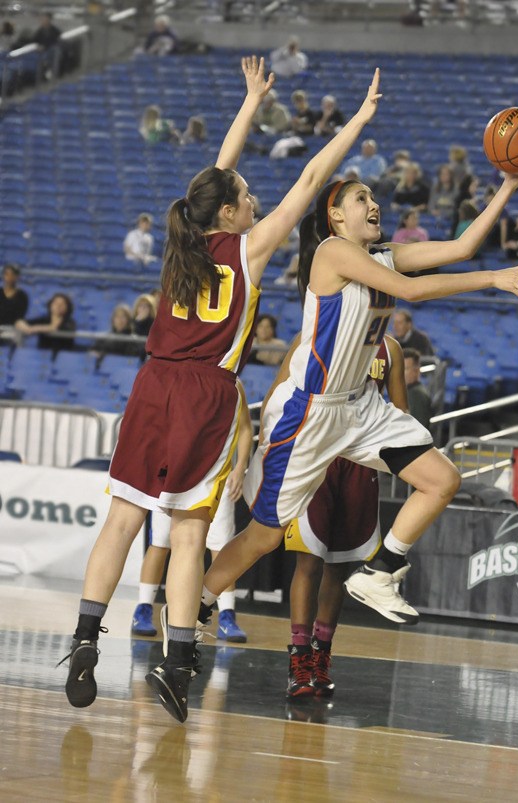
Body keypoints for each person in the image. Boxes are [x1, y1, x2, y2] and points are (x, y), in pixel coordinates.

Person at [59, 56, 385, 724]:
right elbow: (311, 178)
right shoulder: (250, 248)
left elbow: (211, 175)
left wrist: (247, 102)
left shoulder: (181, 241)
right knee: (187, 534)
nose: (256, 198)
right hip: (206, 394)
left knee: (122, 519)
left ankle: (84, 638)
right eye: (246, 194)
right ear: (232, 212)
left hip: (152, 384)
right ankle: (177, 662)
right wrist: (355, 121)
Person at [199, 166, 518, 638]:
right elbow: (413, 291)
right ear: (336, 216)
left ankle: (380, 572)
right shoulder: (332, 252)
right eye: (362, 198)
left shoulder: (383, 255)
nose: (374, 204)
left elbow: (461, 248)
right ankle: (193, 607)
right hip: (310, 411)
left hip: (359, 408)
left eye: (373, 197)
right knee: (264, 536)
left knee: (443, 480)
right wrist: (492, 279)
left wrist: (508, 186)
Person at [280, 333, 407, 698]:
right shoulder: (316, 331)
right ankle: (299, 660)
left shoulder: (390, 348)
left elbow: (400, 411)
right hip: (317, 455)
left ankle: (320, 657)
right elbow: (282, 390)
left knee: (338, 565)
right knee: (309, 562)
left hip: (360, 462)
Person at [131, 379, 253, 643]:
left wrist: (240, 467)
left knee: (220, 546)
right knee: (160, 544)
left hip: (214, 476)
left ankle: (227, 614)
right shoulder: (177, 378)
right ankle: (143, 609)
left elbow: (244, 428)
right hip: (174, 474)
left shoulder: (233, 381)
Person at [403, 347, 432, 429]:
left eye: (405, 368)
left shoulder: (417, 394)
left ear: (416, 371)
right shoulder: (408, 391)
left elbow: (416, 430)